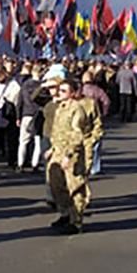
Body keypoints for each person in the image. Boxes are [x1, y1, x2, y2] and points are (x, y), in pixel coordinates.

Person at [46, 77, 104, 234]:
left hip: (73, 152)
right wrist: (52, 149)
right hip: (58, 151)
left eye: (63, 90)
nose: (59, 93)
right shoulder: (61, 107)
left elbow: (77, 135)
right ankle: (65, 213)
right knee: (56, 185)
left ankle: (76, 221)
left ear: (72, 93)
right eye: (59, 90)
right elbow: (58, 131)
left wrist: (70, 154)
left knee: (75, 187)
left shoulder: (77, 109)